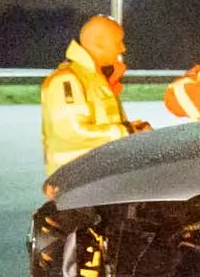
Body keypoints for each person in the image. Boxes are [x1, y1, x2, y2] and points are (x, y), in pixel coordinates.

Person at [40, 14, 143, 176]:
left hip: (95, 177)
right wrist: (126, 132)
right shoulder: (68, 80)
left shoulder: (96, 80)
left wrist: (134, 130)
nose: (123, 48)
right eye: (118, 42)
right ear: (100, 43)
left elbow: (105, 127)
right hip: (75, 179)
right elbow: (71, 132)